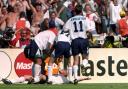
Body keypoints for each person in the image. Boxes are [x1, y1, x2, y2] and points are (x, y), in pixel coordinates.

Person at [62, 4, 90, 84]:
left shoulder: (71, 20)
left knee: (75, 60)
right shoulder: (85, 19)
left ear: (75, 11)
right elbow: (88, 30)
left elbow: (65, 29)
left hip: (74, 41)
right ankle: (84, 64)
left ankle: (75, 78)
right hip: (83, 39)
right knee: (85, 56)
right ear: (81, 11)